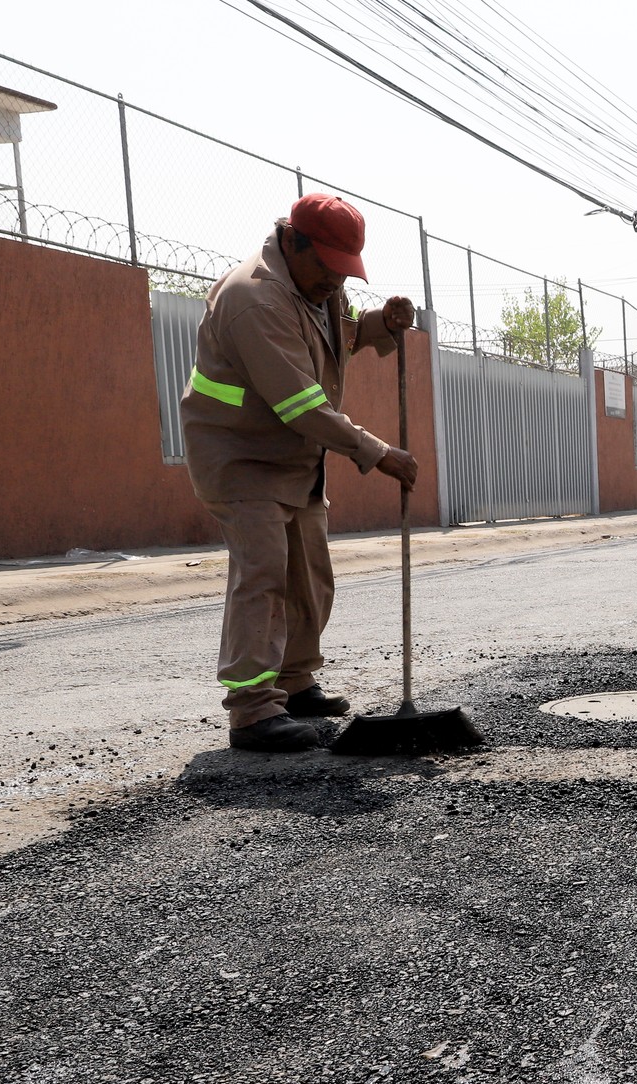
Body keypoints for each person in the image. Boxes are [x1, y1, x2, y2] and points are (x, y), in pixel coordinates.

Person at [180, 193, 418, 753]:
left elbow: (337, 338)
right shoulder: (255, 299)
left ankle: (293, 681)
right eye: (328, 269)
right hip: (241, 459)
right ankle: (253, 711)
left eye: (345, 274)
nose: (337, 284)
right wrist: (379, 453)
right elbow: (302, 405)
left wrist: (380, 322)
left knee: (309, 578)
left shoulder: (316, 289)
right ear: (293, 241)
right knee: (263, 576)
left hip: (292, 459)